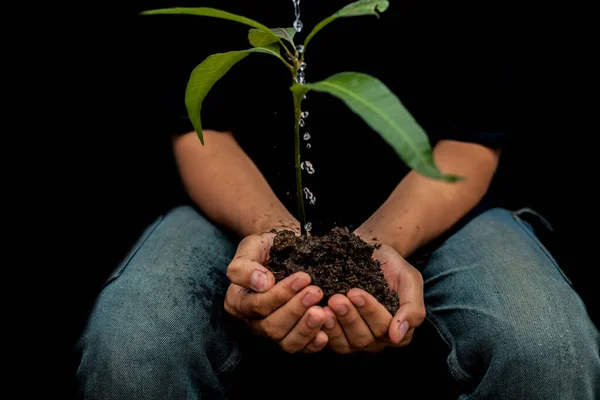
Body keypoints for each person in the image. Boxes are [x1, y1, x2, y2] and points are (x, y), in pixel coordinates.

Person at [75, 1, 599, 398]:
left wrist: (368, 252)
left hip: (439, 207)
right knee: (131, 344)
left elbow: (469, 145)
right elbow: (200, 132)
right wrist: (279, 239)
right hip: (234, 207)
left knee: (547, 349)